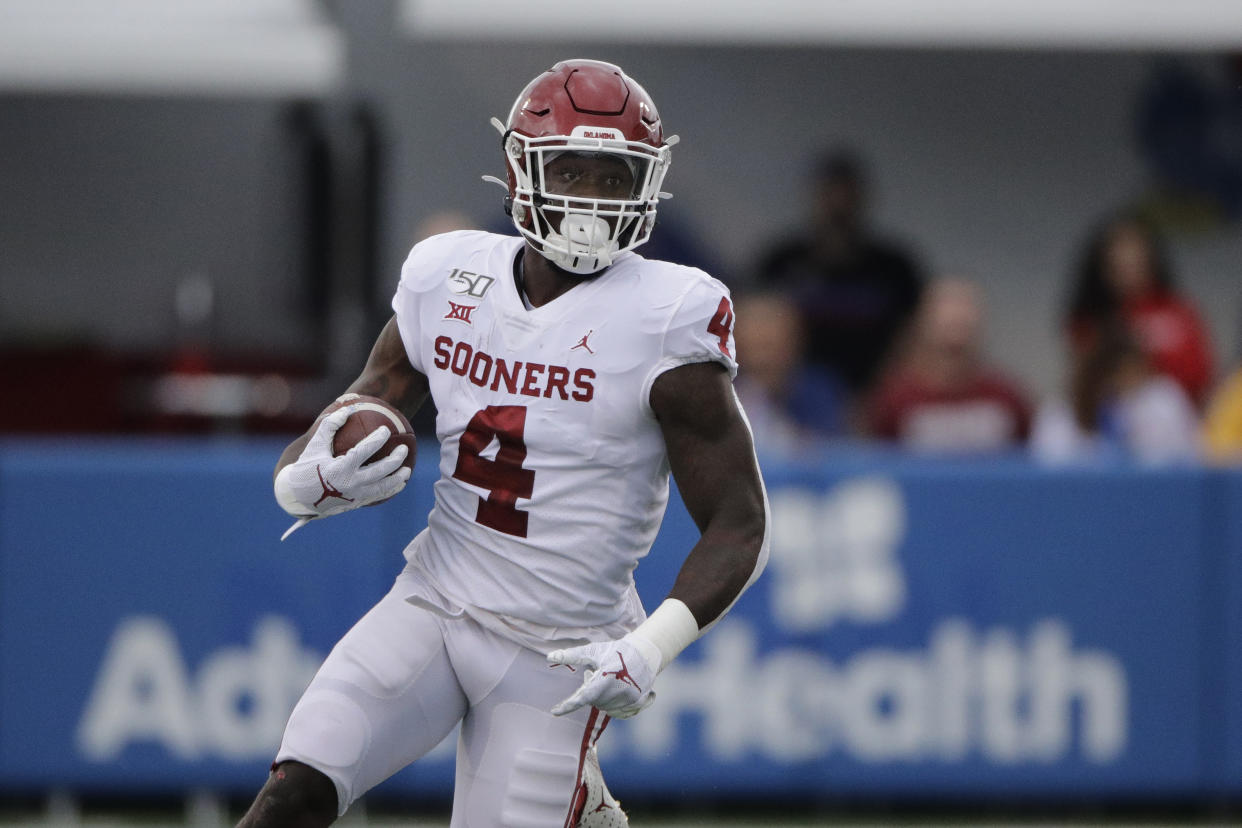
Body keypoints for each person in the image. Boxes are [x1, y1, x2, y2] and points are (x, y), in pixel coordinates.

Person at [236, 59, 770, 828]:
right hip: (435, 600)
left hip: (558, 653)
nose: (591, 199)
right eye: (572, 171)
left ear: (646, 187)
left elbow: (740, 520)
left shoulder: (667, 316)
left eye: (614, 179)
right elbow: (362, 406)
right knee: (296, 787)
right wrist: (301, 480)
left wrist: (651, 647)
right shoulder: (448, 275)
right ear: (520, 171)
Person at [754, 147, 925, 398]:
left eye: (846, 195)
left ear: (862, 199)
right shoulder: (782, 263)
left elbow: (913, 335)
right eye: (829, 194)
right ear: (814, 197)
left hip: (880, 391)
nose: (838, 204)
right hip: (794, 394)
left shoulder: (894, 268)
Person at [1064, 211, 1215, 407]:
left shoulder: (1177, 310)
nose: (1129, 260)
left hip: (1175, 417)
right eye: (1119, 259)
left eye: (1135, 254)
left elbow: (1200, 373)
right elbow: (1086, 376)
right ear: (1103, 265)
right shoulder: (1090, 316)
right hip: (1106, 414)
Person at [867, 276, 1032, 453]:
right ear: (923, 322)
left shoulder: (1006, 396)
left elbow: (1025, 457)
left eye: (965, 312)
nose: (957, 318)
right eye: (948, 314)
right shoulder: (895, 398)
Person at [1030, 322, 1201, 465]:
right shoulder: (1061, 412)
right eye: (1117, 374)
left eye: (1134, 371)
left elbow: (1189, 459)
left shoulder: (1163, 400)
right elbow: (1049, 470)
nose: (1126, 381)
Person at [730, 291, 847, 457]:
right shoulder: (715, 391)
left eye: (769, 343)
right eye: (755, 344)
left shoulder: (818, 392)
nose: (763, 357)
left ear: (795, 340)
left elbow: (832, 449)